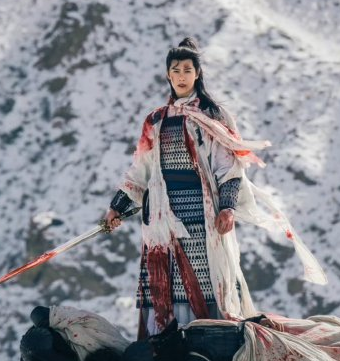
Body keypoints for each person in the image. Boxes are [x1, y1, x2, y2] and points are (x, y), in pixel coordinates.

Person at [104, 36, 324, 334]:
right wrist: (116, 207)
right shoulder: (155, 121)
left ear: (197, 73)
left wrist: (227, 207)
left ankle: (210, 337)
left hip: (202, 215)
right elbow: (140, 171)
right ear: (168, 75)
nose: (181, 76)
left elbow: (228, 166)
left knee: (209, 279)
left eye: (187, 70)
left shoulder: (213, 116)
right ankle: (164, 341)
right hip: (161, 219)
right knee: (166, 282)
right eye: (176, 70)